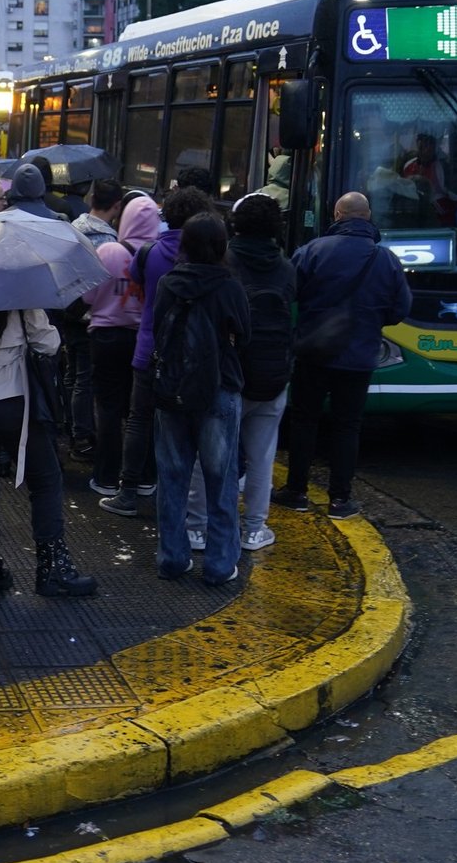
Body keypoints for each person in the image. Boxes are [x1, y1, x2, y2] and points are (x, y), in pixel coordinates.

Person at [0, 302, 95, 600]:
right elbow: (47, 343)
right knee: (45, 480)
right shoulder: (17, 292)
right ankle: (52, 569)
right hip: (12, 398)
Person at [274, 192, 412, 520]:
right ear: (367, 217)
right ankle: (340, 499)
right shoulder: (386, 260)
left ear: (337, 214)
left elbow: (287, 293)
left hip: (314, 352)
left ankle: (296, 491)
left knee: (304, 421)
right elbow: (400, 309)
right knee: (348, 426)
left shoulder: (312, 251)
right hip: (360, 356)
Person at [187, 191, 296, 552]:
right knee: (263, 455)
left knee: (212, 455)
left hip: (229, 373)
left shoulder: (225, 262)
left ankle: (198, 528)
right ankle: (253, 529)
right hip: (274, 373)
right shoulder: (286, 268)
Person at [102, 187, 216, 519]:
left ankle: (128, 492)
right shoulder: (207, 254)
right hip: (192, 354)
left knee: (139, 420)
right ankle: (171, 494)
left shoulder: (149, 253)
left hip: (149, 346)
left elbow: (136, 280)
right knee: (180, 426)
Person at [151, 212, 250, 586]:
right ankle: (220, 564)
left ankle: (172, 558)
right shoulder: (230, 286)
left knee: (172, 476)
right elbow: (244, 335)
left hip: (172, 390)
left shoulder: (168, 283)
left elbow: (158, 327)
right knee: (220, 479)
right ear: (222, 245)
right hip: (218, 390)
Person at [84, 194, 161, 505]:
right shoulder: (159, 254)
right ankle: (144, 477)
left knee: (108, 409)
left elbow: (88, 297)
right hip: (142, 340)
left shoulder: (109, 251)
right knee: (141, 414)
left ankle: (105, 477)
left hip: (106, 338)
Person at [62, 180, 125, 462]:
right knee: (85, 379)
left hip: (70, 310)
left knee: (72, 375)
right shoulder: (109, 241)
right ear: (117, 206)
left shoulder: (73, 228)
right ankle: (83, 436)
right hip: (91, 316)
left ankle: (72, 428)